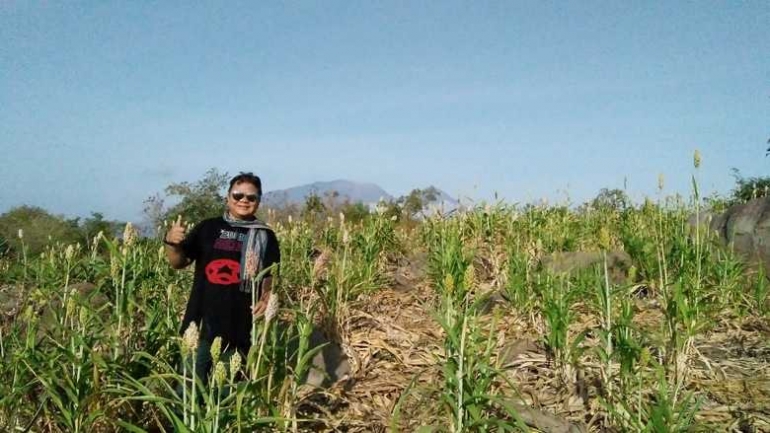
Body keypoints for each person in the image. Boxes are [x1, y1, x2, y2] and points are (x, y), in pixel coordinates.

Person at [164, 172, 280, 381]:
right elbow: (178, 263)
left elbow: (269, 275)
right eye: (238, 195)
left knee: (226, 394)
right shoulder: (208, 228)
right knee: (188, 390)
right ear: (228, 198)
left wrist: (267, 297)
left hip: (241, 328)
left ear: (258, 201)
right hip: (201, 325)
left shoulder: (265, 236)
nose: (244, 200)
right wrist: (171, 243)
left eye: (251, 197)